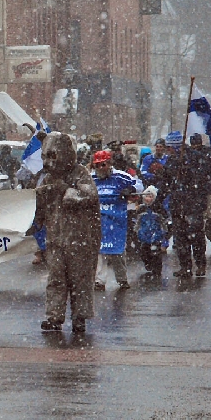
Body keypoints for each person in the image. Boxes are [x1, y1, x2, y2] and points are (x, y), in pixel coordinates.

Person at [33, 132, 101, 334]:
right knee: (56, 279)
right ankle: (54, 316)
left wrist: (66, 190)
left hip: (80, 238)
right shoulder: (47, 178)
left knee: (80, 279)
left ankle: (80, 317)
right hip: (55, 237)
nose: (48, 163)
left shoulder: (80, 173)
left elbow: (89, 195)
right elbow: (41, 205)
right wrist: (37, 218)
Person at [163, 131, 211, 277]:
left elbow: (204, 177)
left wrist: (187, 171)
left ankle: (200, 264)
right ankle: (185, 267)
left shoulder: (195, 157)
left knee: (196, 237)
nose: (167, 151)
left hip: (193, 204)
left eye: (169, 147)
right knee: (180, 239)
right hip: (177, 205)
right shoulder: (170, 160)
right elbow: (166, 180)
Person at [91, 150, 142, 290]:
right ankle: (99, 281)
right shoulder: (90, 179)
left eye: (104, 164)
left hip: (117, 221)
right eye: (98, 165)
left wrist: (130, 189)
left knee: (117, 251)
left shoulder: (121, 176)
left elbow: (139, 185)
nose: (101, 168)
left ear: (109, 163)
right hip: (98, 221)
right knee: (99, 252)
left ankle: (122, 279)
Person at [188, 133, 211, 250]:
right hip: (195, 191)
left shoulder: (208, 154)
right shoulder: (188, 155)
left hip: (207, 190)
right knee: (199, 218)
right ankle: (200, 238)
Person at [136, 186, 169, 279]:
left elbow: (165, 223)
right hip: (144, 235)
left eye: (150, 196)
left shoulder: (159, 209)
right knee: (144, 252)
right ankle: (148, 264)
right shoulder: (141, 209)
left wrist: (164, 237)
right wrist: (137, 232)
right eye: (146, 196)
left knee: (156, 254)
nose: (148, 199)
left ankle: (157, 269)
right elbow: (136, 223)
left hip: (156, 235)